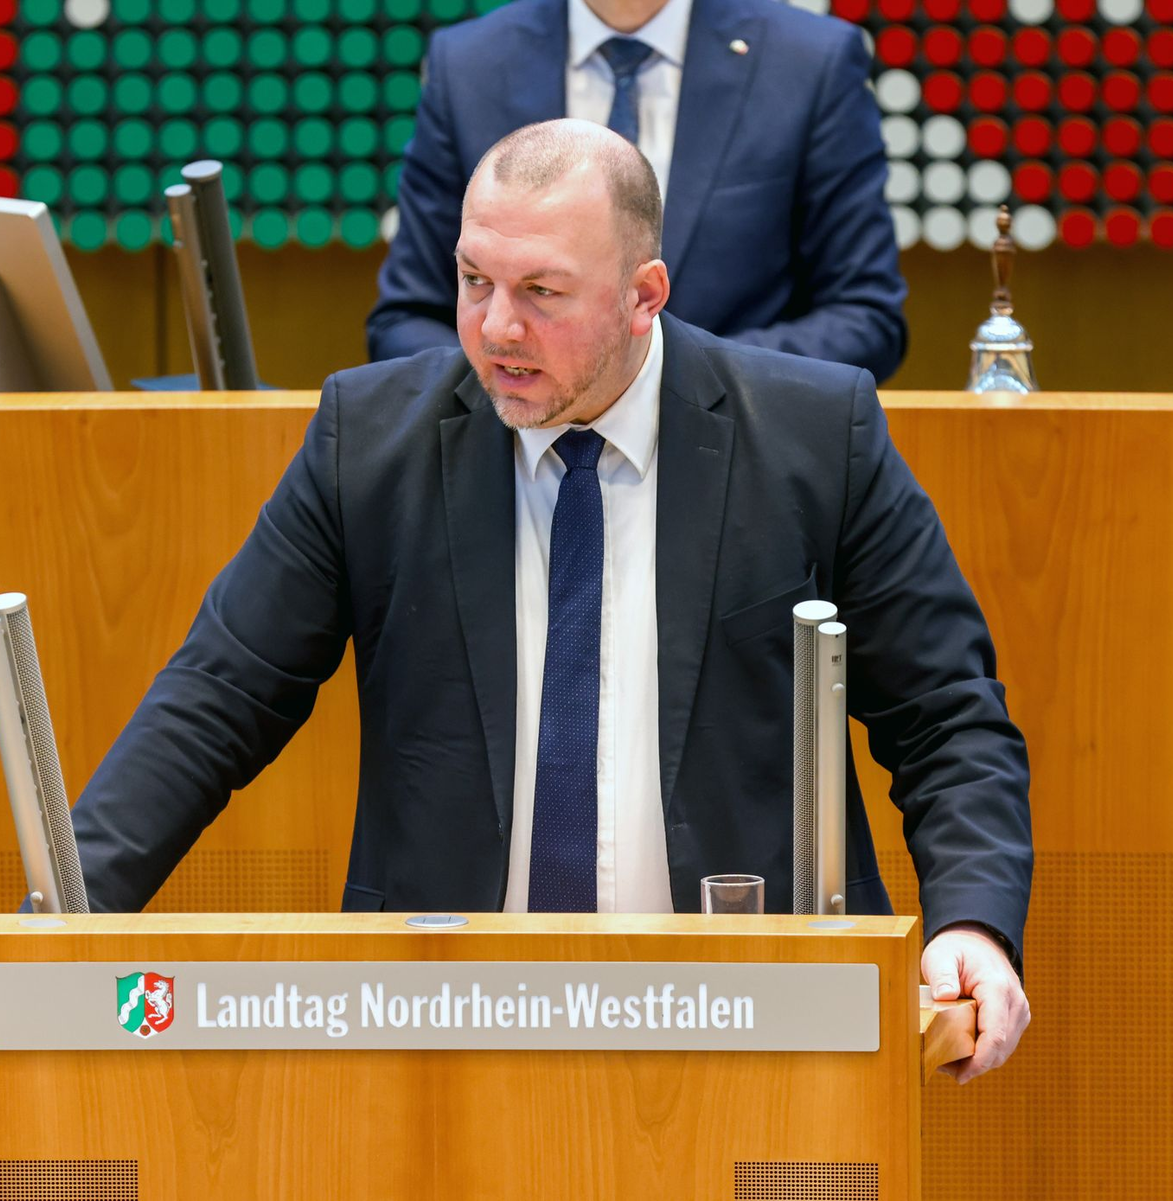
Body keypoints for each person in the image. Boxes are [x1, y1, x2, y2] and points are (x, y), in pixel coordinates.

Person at [67, 121, 1029, 1082]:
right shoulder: (369, 441)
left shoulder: (816, 435)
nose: (496, 328)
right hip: (448, 1026)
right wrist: (65, 922)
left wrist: (973, 921)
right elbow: (218, 696)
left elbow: (945, 716)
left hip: (753, 1013)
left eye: (542, 293)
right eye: (475, 280)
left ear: (642, 295)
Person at [365, 0, 908, 383]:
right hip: (511, 463)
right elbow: (403, 322)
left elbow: (864, 318)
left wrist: (666, 387)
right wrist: (522, 377)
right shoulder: (470, 64)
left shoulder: (810, 62)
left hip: (743, 463)